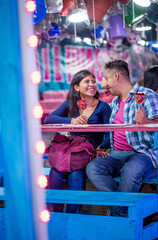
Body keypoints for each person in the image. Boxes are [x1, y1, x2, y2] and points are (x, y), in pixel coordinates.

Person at [86, 59, 158, 217]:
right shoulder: (114, 103)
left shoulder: (147, 95)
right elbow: (108, 132)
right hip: (115, 153)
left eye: (107, 78)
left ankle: (118, 215)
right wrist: (102, 147)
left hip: (140, 152)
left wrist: (148, 122)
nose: (106, 84)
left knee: (131, 170)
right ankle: (121, 210)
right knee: (93, 167)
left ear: (116, 76)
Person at [44, 69, 111, 213]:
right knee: (55, 172)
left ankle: (71, 215)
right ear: (76, 87)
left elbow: (109, 134)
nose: (92, 84)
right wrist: (72, 120)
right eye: (87, 81)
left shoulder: (103, 107)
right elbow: (48, 119)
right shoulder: (70, 104)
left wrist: (101, 147)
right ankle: (57, 213)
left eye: (93, 81)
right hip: (69, 150)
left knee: (76, 173)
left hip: (87, 152)